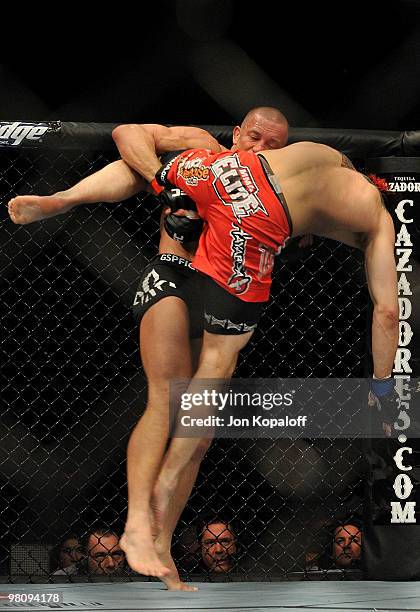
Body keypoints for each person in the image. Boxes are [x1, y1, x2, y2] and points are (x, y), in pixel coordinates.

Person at [7, 107, 289, 590]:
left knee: (198, 435)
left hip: (225, 298)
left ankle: (162, 544)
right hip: (173, 278)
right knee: (167, 399)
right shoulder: (202, 147)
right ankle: (64, 200)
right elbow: (126, 132)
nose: (260, 149)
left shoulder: (279, 190)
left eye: (273, 147)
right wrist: (162, 179)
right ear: (238, 132)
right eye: (255, 137)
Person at [124, 136, 398, 579]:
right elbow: (386, 313)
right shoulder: (374, 217)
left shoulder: (313, 151)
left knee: (157, 171)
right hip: (259, 226)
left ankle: (64, 197)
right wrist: (381, 388)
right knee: (220, 358)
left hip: (235, 181)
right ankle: (170, 474)